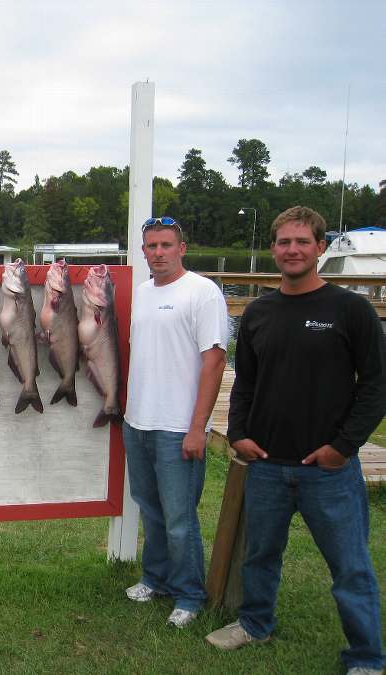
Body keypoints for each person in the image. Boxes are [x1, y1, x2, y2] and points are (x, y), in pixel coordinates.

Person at [206, 206, 385, 674]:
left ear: (320, 248)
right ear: (274, 249)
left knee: (350, 568)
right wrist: (239, 435)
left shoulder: (350, 309)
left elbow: (375, 386)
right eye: (284, 242)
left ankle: (366, 656)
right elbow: (243, 382)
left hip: (328, 470)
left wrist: (343, 447)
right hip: (266, 464)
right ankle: (255, 623)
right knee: (261, 555)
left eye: (302, 242)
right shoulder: (260, 312)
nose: (292, 250)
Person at [122, 216, 229, 628]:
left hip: (177, 427)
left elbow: (215, 361)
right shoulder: (143, 293)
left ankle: (189, 594)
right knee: (150, 508)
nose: (159, 253)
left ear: (182, 248)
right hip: (138, 421)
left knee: (180, 518)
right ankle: (156, 578)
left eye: (166, 245)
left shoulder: (202, 293)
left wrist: (197, 427)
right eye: (151, 246)